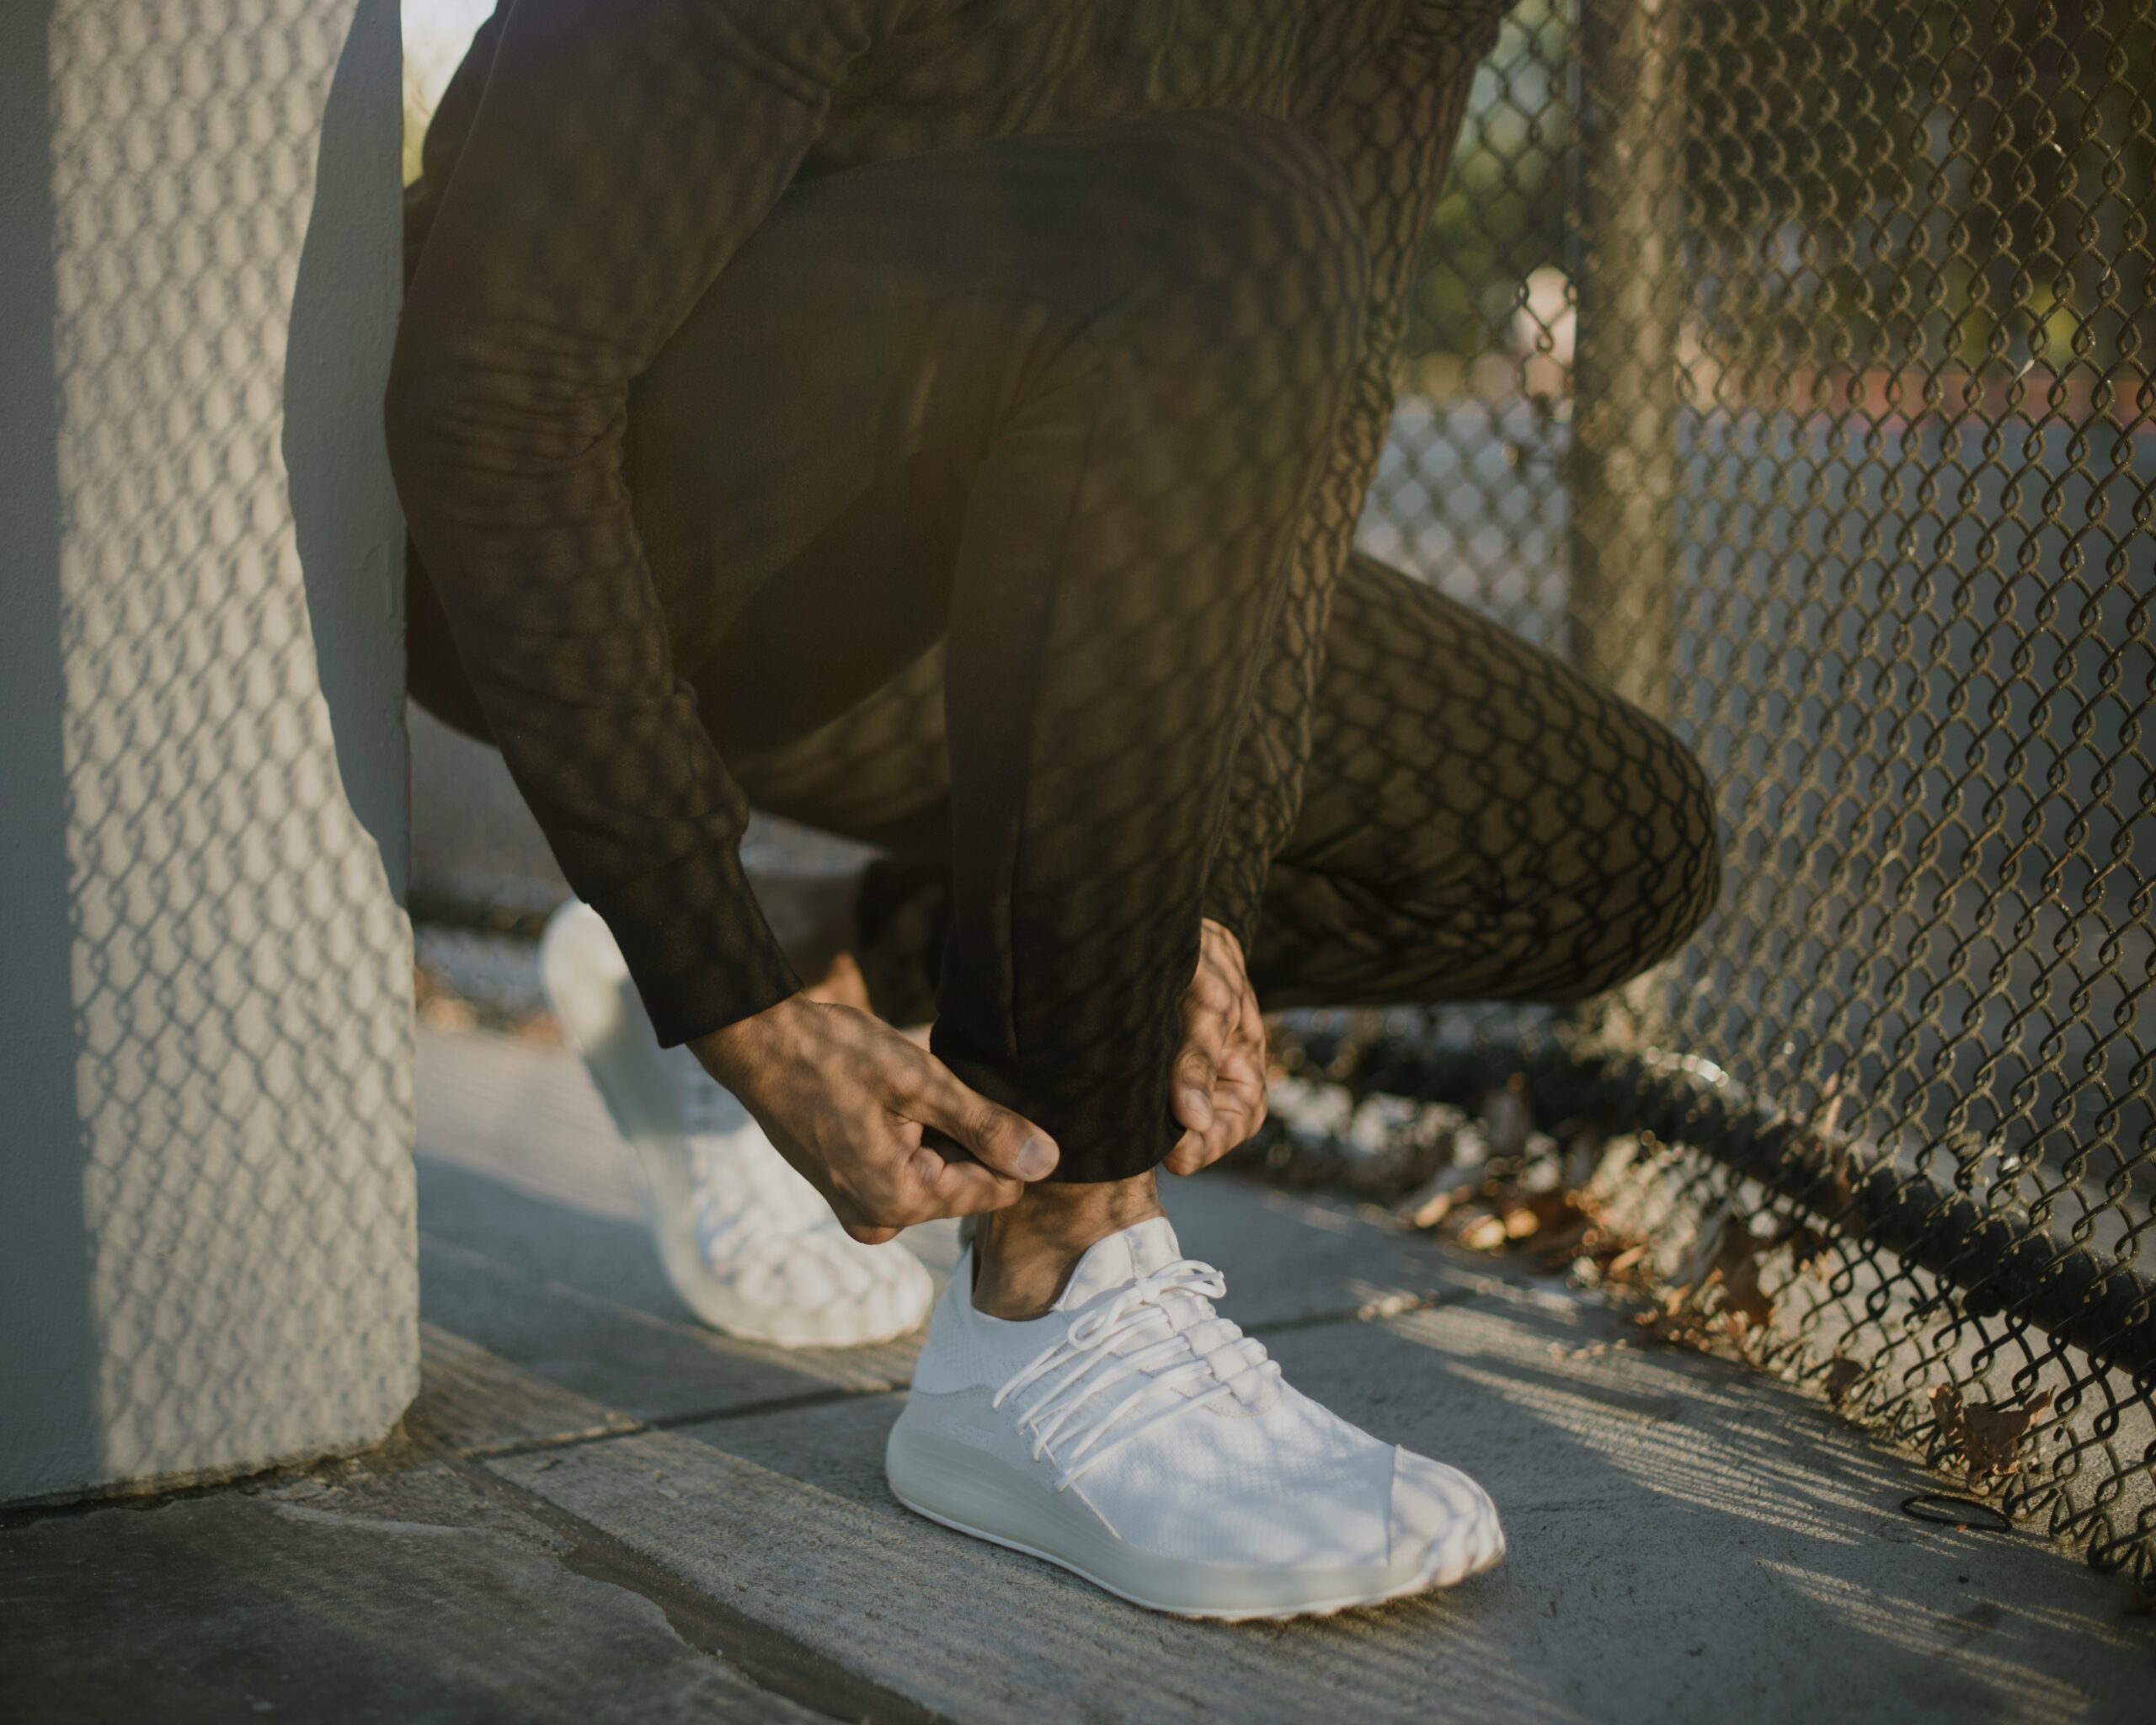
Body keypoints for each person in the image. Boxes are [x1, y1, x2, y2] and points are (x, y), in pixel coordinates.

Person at [390, 0, 1721, 1619]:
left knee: (1608, 841)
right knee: (1220, 219)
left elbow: (1307, 442)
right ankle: (1050, 1300)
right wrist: (715, 982)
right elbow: (501, 406)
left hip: (1024, 528)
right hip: (633, 538)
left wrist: (1204, 889)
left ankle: (850, 965)